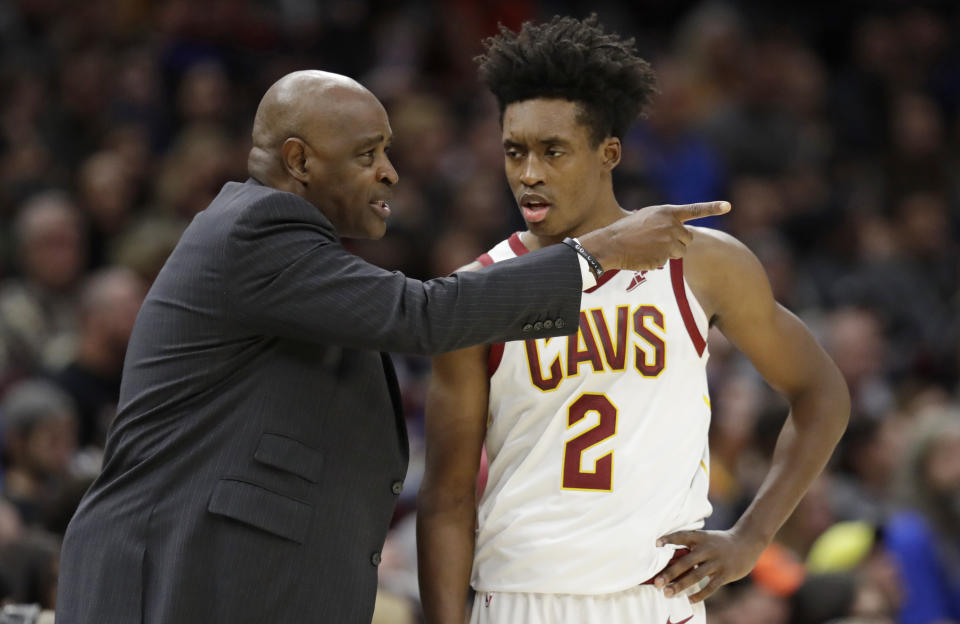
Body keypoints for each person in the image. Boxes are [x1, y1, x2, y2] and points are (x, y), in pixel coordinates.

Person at [54, 69, 728, 624]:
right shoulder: (257, 230)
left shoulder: (290, 257)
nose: (390, 174)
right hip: (175, 574)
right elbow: (425, 314)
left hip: (220, 575)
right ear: (299, 161)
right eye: (368, 153)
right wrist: (595, 255)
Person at [416, 16, 850, 624]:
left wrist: (751, 537)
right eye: (515, 151)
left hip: (658, 599)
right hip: (523, 598)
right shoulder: (478, 291)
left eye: (553, 151)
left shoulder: (702, 264)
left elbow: (822, 392)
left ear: (608, 153)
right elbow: (447, 497)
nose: (528, 173)